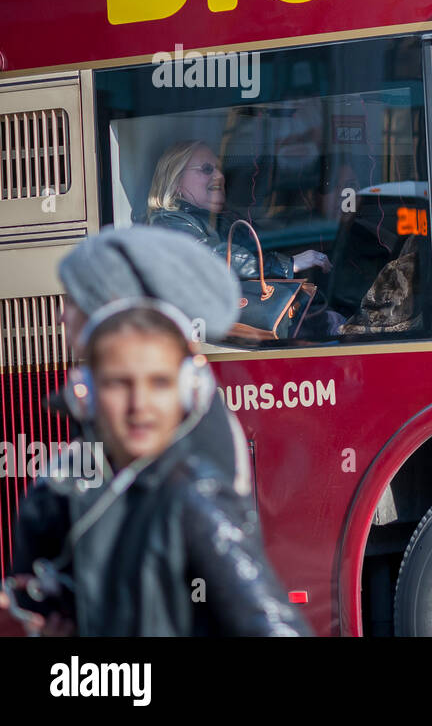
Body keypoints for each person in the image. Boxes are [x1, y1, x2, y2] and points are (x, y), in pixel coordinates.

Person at [0, 227, 311, 636]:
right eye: (117, 384)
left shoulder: (190, 484)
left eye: (73, 300)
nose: (138, 405)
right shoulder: (78, 471)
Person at [146, 140, 330, 280]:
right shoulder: (168, 221)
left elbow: (270, 239)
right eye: (207, 169)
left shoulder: (225, 219)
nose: (219, 176)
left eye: (219, 168)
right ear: (176, 181)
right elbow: (208, 258)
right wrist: (288, 264)